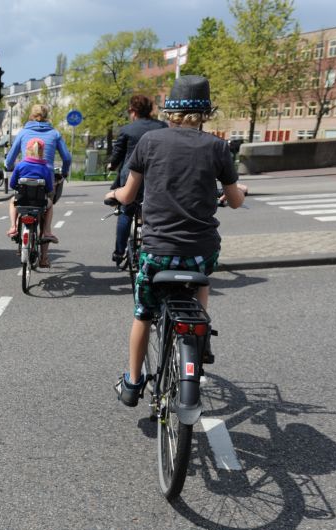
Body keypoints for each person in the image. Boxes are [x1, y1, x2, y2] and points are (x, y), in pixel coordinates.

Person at [109, 75, 247, 406]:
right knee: (201, 279)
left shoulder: (150, 143)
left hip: (158, 251)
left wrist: (113, 193)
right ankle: (200, 336)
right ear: (205, 113)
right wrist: (238, 191)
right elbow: (236, 200)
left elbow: (129, 195)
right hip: (201, 252)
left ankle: (132, 382)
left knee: (143, 312)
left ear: (171, 112)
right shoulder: (217, 147)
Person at [106, 95, 167, 264]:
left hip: (132, 177)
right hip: (156, 175)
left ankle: (119, 252)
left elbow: (118, 155)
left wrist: (111, 165)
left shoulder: (127, 130)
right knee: (156, 213)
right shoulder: (162, 127)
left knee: (126, 211)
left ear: (133, 111)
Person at [4, 104, 71, 240]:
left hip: (24, 176)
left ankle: (16, 229)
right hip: (46, 177)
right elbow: (67, 158)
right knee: (46, 208)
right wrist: (64, 173)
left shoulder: (23, 132)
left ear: (31, 116)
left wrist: (9, 166)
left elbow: (10, 158)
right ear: (47, 117)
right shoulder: (54, 133)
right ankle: (45, 256)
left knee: (18, 201)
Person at [7, 138, 58, 268]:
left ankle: (13, 226)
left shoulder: (20, 165)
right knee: (50, 205)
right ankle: (46, 231)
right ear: (42, 152)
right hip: (39, 204)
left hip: (22, 201)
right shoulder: (45, 168)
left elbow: (12, 184)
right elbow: (49, 189)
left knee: (13, 201)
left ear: (27, 150)